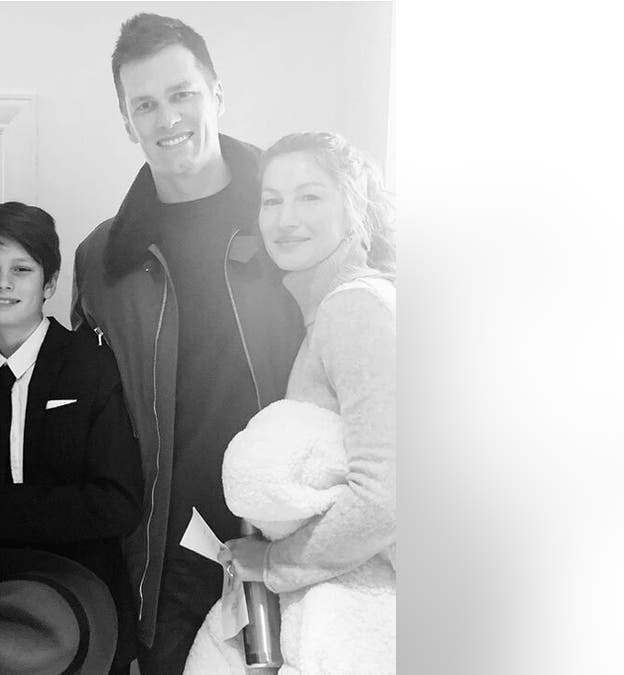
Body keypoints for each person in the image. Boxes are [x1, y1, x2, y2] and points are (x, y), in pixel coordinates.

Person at [71, 13, 303, 674]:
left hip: (296, 535)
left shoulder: (296, 220)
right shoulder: (103, 261)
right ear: (127, 122)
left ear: (216, 94)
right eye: (145, 104)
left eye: (182, 94)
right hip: (172, 553)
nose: (167, 117)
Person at [200, 131, 397, 673]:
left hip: (362, 621)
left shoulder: (356, 310)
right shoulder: (326, 313)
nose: (285, 218)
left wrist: (273, 562)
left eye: (310, 196)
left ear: (355, 209)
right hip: (337, 608)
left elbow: (388, 495)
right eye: (271, 200)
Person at [0, 201, 143, 673]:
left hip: (83, 612)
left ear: (49, 282)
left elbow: (115, 503)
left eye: (21, 269)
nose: (3, 283)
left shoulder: (91, 364)